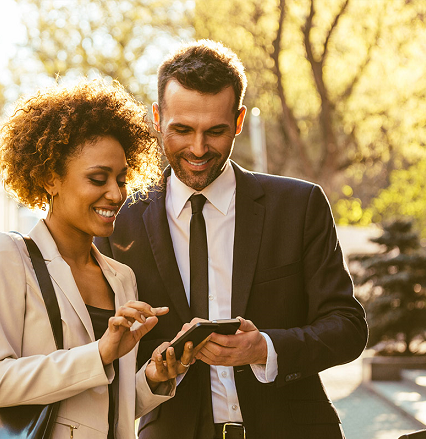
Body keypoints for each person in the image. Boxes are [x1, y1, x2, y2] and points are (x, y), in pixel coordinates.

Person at [95, 40, 368, 439]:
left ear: (238, 121)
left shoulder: (300, 205)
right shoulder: (120, 220)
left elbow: (347, 327)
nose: (198, 149)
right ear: (157, 117)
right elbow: (104, 349)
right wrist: (153, 372)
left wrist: (266, 349)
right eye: (182, 130)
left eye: (216, 131)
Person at [0, 80, 194, 439]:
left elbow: (99, 409)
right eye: (98, 178)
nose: (116, 193)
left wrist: (152, 378)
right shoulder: (7, 255)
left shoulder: (121, 277)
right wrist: (100, 353)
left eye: (121, 178)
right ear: (48, 177)